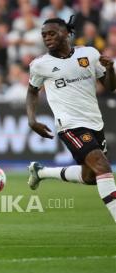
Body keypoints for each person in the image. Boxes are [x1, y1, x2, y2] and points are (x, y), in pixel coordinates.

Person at [26, 17, 116, 222]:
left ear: (67, 33)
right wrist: (32, 120)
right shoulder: (40, 65)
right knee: (102, 166)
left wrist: (110, 69)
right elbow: (32, 92)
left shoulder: (90, 54)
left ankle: (41, 172)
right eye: (44, 35)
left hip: (94, 122)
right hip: (69, 125)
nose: (47, 38)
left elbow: (110, 86)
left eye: (52, 33)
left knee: (91, 177)